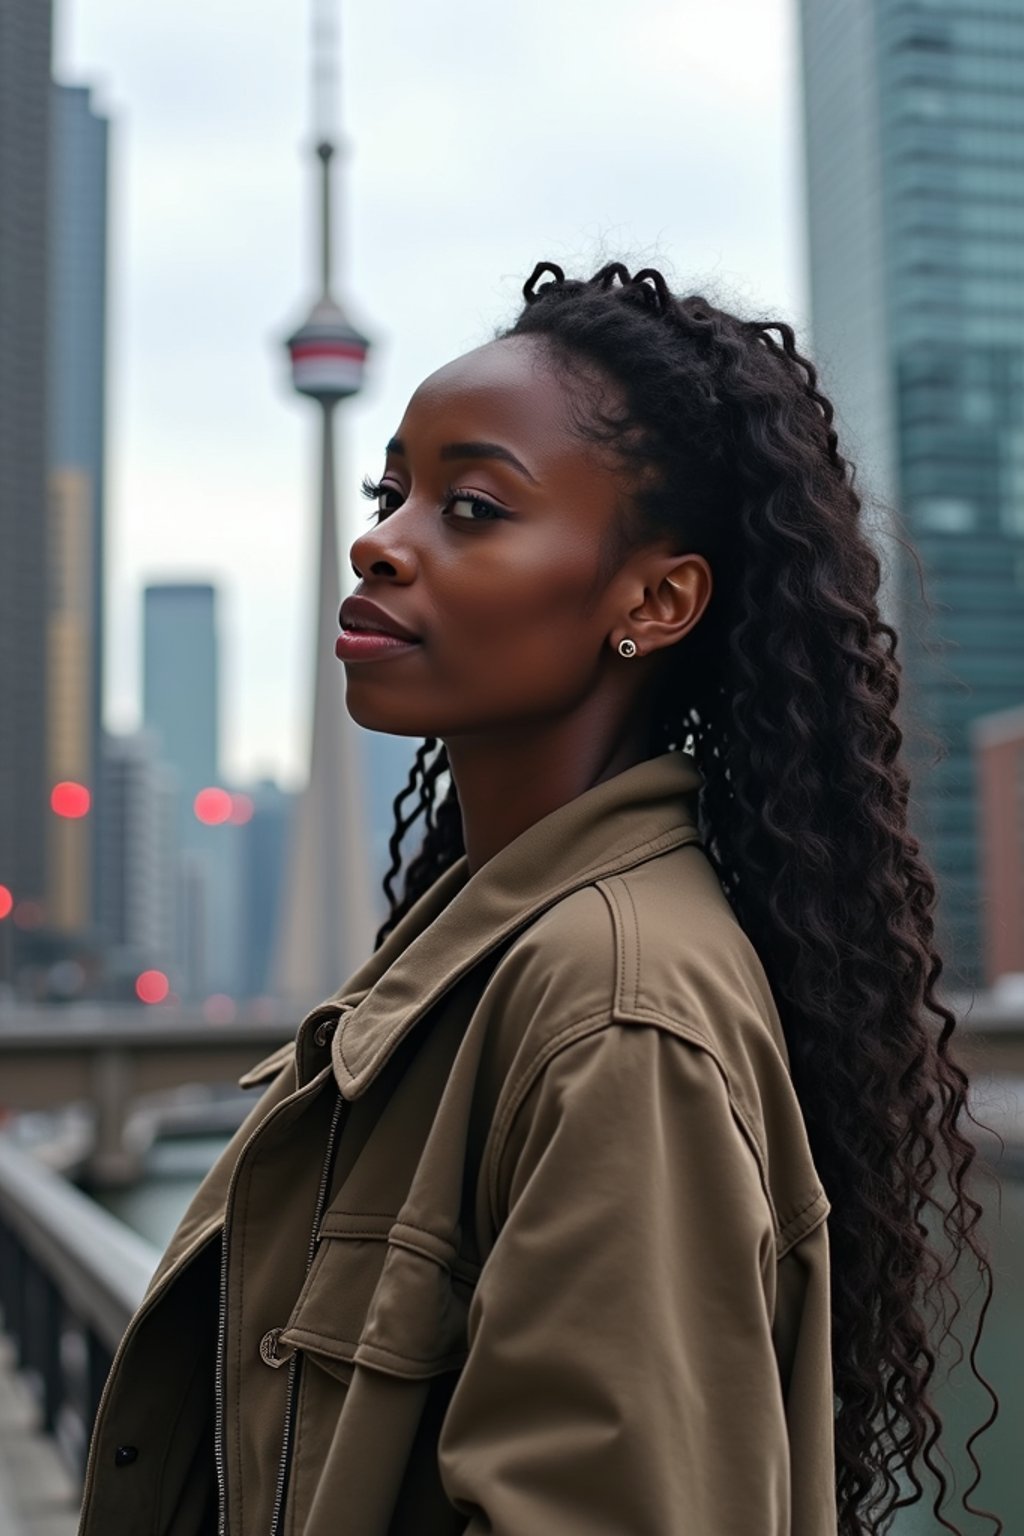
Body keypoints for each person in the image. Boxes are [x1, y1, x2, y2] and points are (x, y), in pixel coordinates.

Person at [78, 261, 1001, 1536]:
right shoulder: (497, 955)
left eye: (469, 506)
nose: (378, 540)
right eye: (388, 492)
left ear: (655, 600)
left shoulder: (614, 1015)